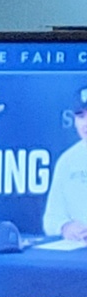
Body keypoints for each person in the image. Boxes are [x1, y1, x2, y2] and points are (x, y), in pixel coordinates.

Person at [43, 85, 87, 240]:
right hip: (79, 255)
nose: (85, 124)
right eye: (81, 116)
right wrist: (66, 227)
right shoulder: (67, 161)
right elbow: (51, 219)